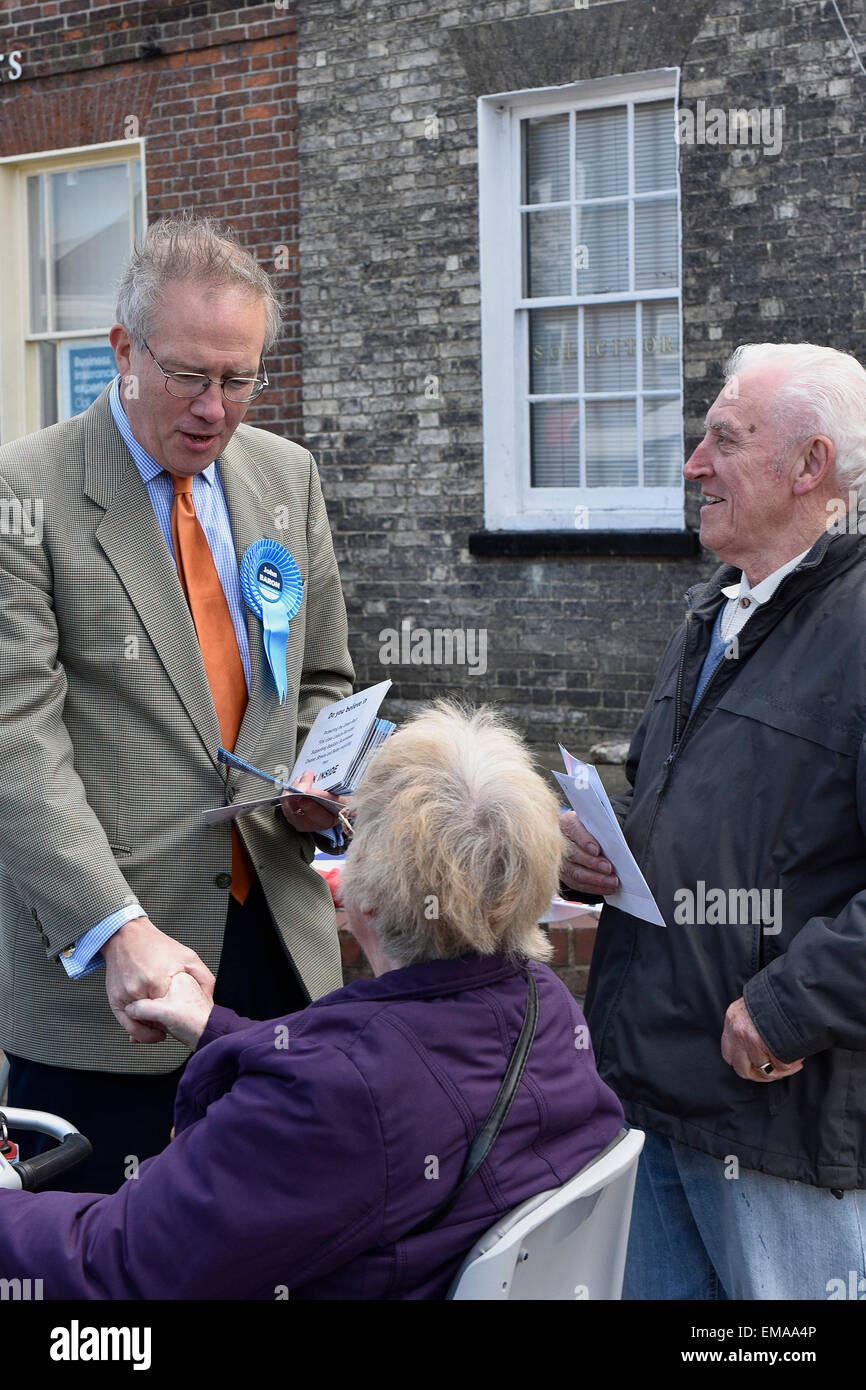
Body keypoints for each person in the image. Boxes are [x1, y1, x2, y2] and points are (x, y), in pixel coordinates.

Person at [0, 704, 623, 1300]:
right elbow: (393, 1075)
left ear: (362, 899)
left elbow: (114, 1269)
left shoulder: (335, 1097)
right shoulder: (548, 1007)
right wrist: (214, 1027)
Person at [0, 215, 354, 1192]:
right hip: (115, 992)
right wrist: (116, 929)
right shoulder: (24, 494)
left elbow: (318, 682)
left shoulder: (285, 478)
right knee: (103, 1299)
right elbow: (16, 747)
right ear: (122, 351)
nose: (213, 408)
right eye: (188, 375)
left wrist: (323, 788)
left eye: (238, 379)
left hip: (277, 961)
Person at [561, 342, 866, 1300]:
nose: (693, 465)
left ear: (808, 468)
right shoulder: (714, 614)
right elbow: (694, 799)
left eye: (722, 442)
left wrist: (787, 1010)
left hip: (782, 1126)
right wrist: (596, 848)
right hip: (661, 1096)